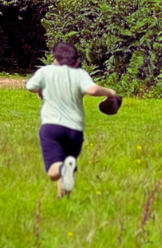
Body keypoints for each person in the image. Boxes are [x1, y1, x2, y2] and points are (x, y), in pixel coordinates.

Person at [26, 42, 120, 198]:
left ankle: (63, 172)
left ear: (55, 58)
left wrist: (42, 90)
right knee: (67, 164)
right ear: (76, 62)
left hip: (51, 127)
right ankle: (62, 198)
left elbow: (30, 86)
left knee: (55, 170)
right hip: (75, 130)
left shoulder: (45, 71)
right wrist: (110, 92)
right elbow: (92, 89)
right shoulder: (80, 74)